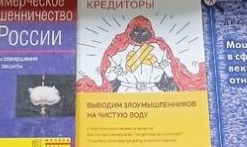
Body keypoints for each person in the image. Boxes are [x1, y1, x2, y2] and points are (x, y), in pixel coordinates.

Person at [77, 14, 206, 94]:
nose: (140, 35)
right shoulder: (120, 48)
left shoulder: (159, 47)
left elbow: (171, 71)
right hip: (126, 91)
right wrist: (115, 71)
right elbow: (108, 72)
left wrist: (164, 67)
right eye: (137, 31)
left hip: (153, 91)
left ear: (150, 31)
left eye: (144, 31)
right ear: (130, 30)